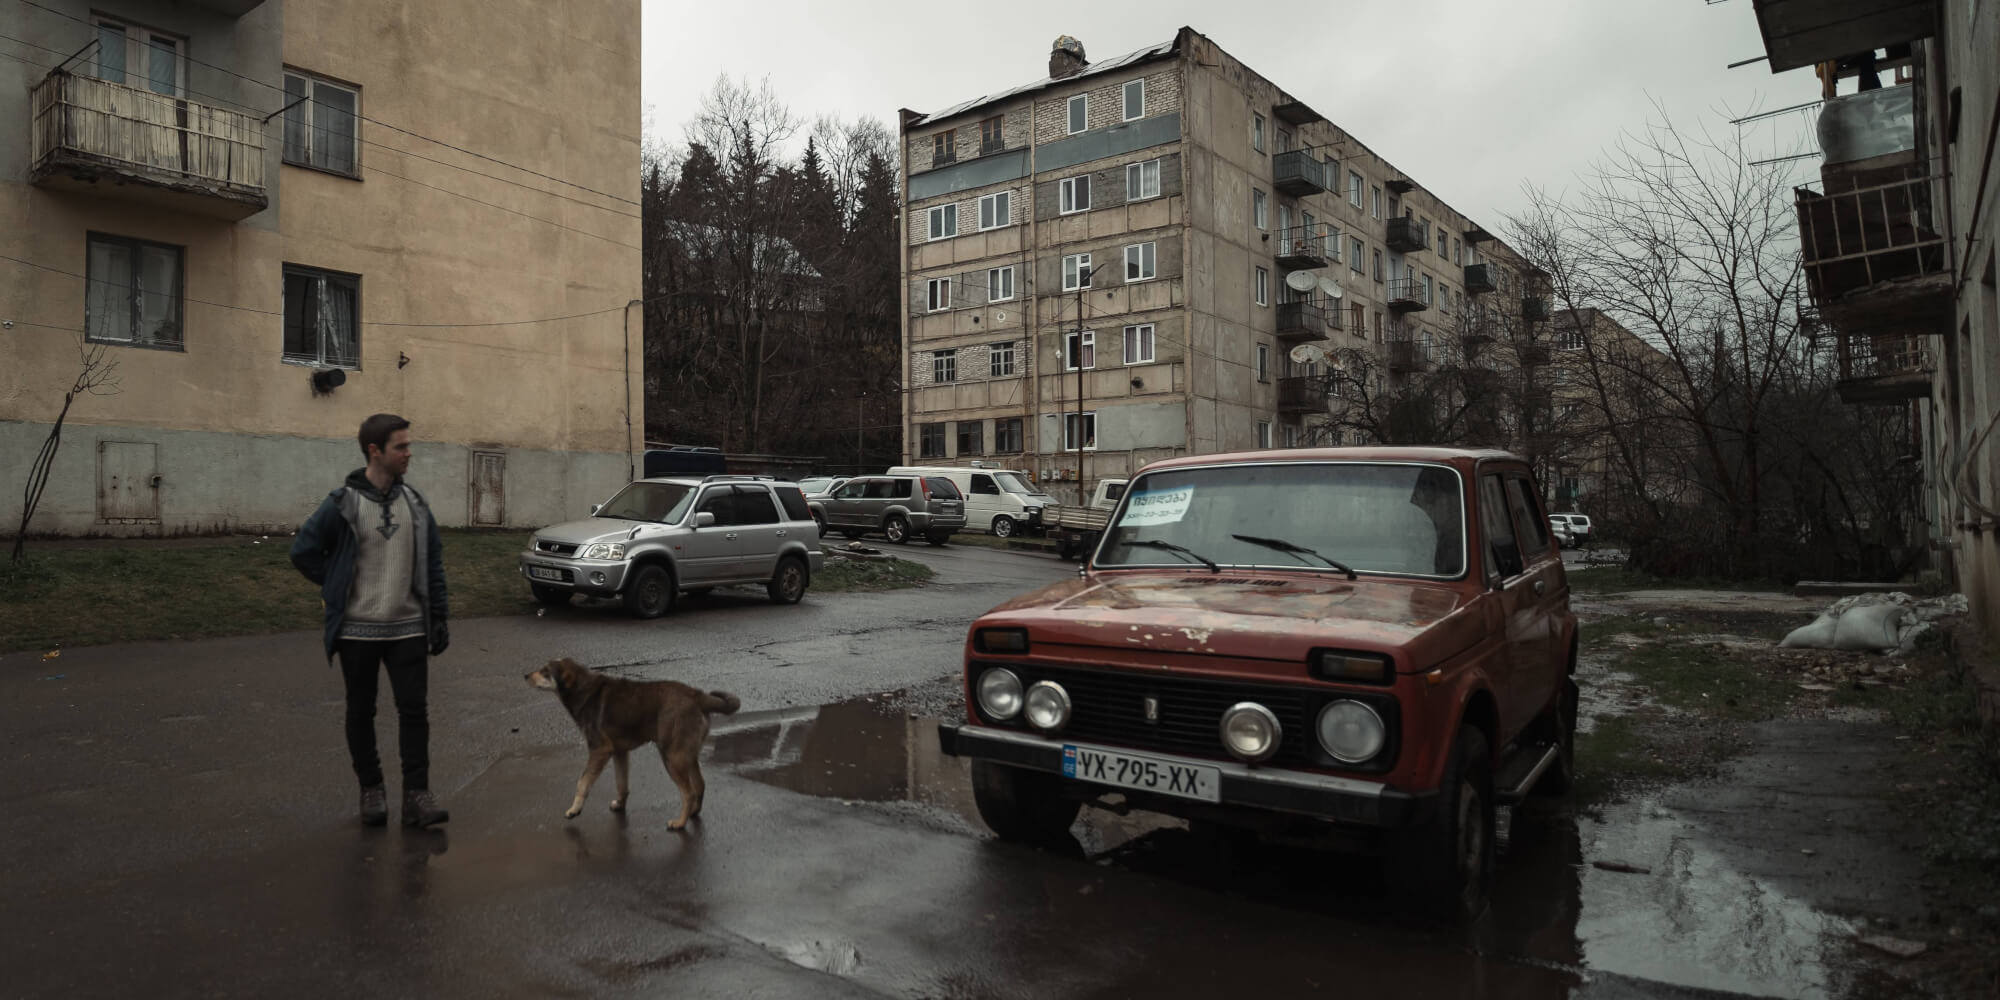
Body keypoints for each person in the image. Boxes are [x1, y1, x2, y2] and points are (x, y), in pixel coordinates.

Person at [290, 414, 451, 828]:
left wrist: (439, 616)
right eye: (401, 446)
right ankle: (371, 790)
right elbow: (304, 551)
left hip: (408, 628)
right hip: (357, 630)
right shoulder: (343, 502)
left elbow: (433, 562)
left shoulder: (415, 504)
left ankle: (417, 795)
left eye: (408, 445)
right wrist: (336, 584)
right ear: (374, 451)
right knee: (361, 711)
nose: (408, 453)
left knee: (414, 712)